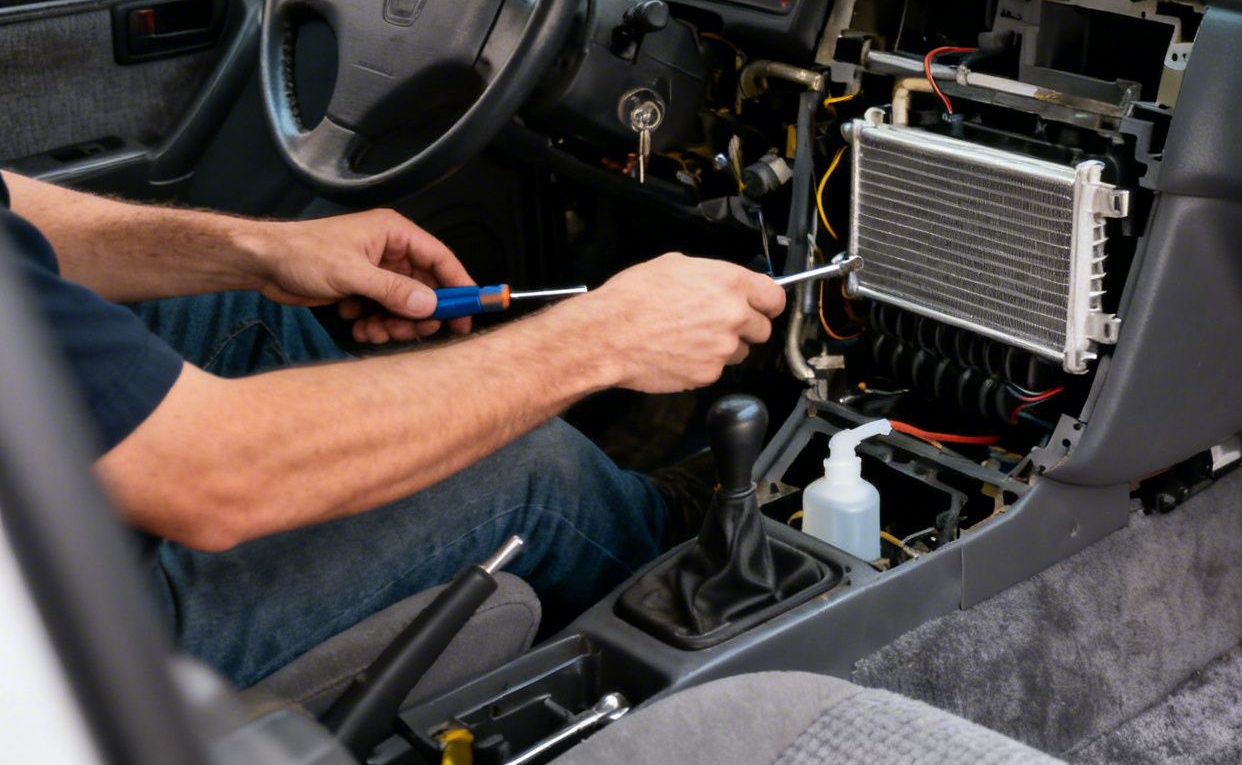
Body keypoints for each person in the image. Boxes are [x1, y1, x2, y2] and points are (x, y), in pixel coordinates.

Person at [0, 170, 785, 689]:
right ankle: (682, 549)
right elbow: (212, 473)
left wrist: (266, 251)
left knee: (245, 310)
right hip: (66, 646)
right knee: (531, 469)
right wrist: (605, 338)